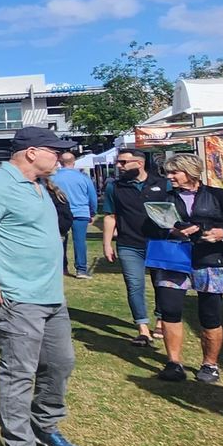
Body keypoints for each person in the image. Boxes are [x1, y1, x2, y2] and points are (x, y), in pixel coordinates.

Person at [0, 126, 87, 446]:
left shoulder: (40, 185)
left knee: (60, 363)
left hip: (51, 296)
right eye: (54, 151)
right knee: (19, 372)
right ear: (31, 152)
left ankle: (44, 426)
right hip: (17, 296)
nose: (60, 157)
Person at [147, 153, 223, 385]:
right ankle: (174, 363)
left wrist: (222, 233)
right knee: (170, 310)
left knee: (210, 314)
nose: (170, 177)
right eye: (168, 172)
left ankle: (210, 364)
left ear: (191, 172)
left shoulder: (217, 196)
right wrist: (172, 231)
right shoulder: (165, 197)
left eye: (175, 172)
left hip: (209, 259)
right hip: (173, 260)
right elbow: (151, 226)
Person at [99, 148, 173, 348]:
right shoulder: (115, 187)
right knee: (134, 285)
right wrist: (107, 244)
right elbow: (110, 216)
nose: (119, 166)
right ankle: (142, 328)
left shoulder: (163, 184)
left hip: (159, 243)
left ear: (139, 163)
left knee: (162, 284)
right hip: (129, 243)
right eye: (118, 162)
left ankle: (160, 320)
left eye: (123, 162)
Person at [50, 151, 98, 279]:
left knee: (61, 240)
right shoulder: (83, 177)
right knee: (80, 241)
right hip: (81, 212)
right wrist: (92, 212)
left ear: (60, 162)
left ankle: (62, 267)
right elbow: (92, 197)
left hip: (60, 213)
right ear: (74, 162)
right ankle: (81, 269)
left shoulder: (54, 177)